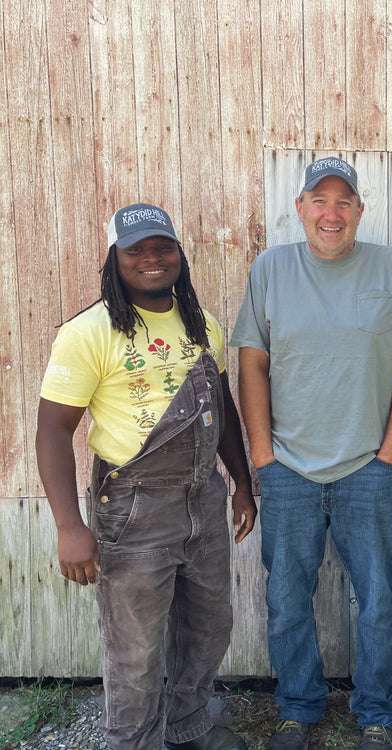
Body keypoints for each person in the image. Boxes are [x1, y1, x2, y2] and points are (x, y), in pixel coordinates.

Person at [36, 203, 256, 750]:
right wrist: (70, 525)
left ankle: (185, 728)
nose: (151, 259)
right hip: (133, 507)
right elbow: (51, 432)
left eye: (163, 247)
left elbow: (219, 408)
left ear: (180, 254)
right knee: (136, 651)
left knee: (208, 628)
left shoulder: (199, 323)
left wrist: (241, 484)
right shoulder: (88, 332)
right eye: (136, 250)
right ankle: (133, 741)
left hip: (202, 497)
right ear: (115, 259)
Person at [231, 157, 392, 750]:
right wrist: (263, 457)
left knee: (377, 598)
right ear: (300, 208)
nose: (331, 213)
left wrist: (390, 454)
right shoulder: (271, 269)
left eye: (344, 202)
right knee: (287, 597)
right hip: (289, 468)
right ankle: (297, 708)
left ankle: (376, 712)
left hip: (368, 467)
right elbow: (252, 361)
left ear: (360, 212)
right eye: (319, 200)